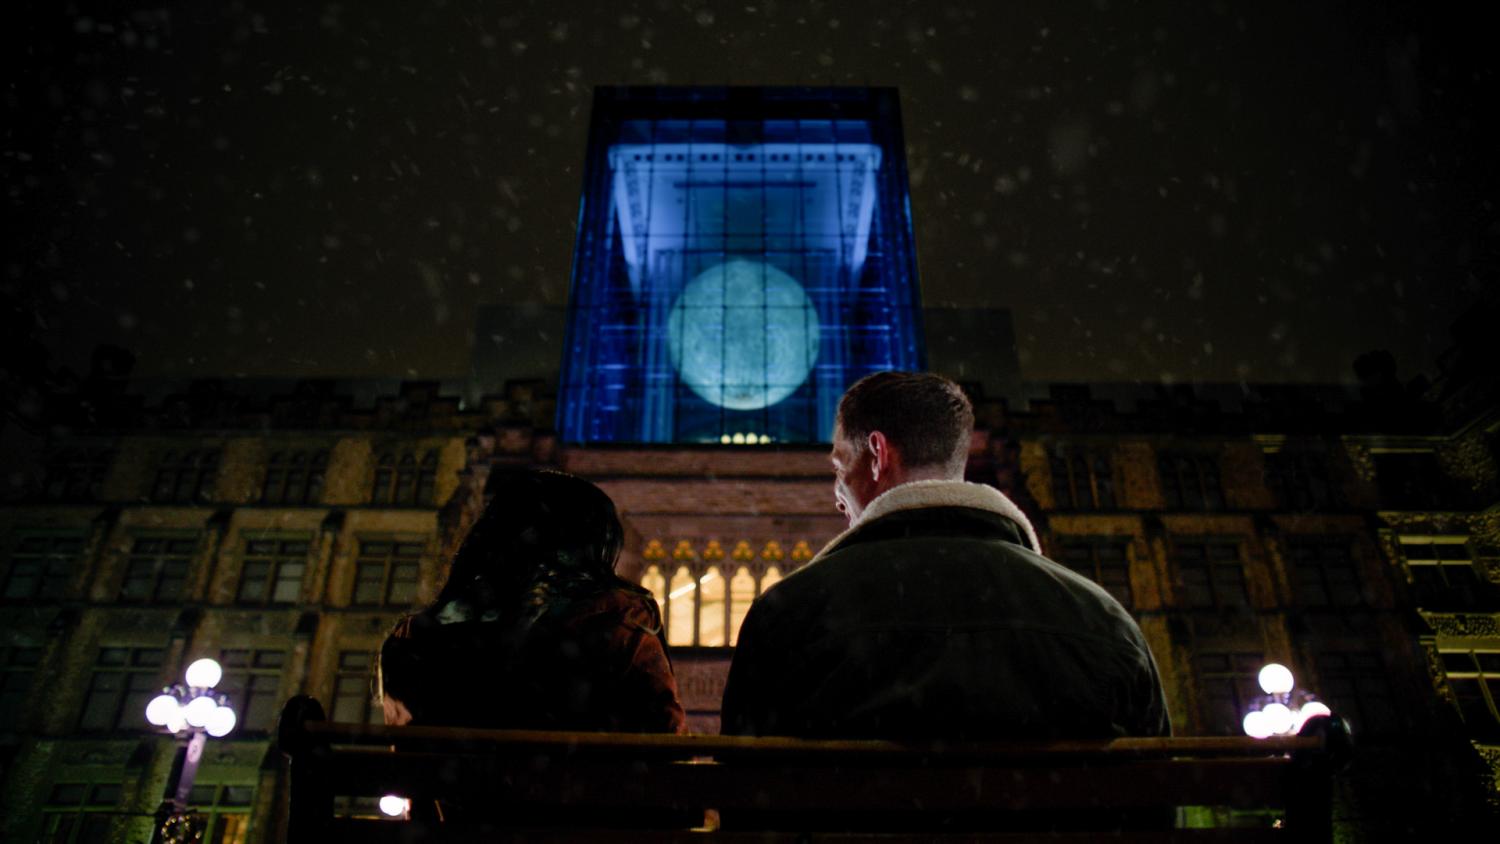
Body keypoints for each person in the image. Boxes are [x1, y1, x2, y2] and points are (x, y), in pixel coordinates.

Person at [721, 371, 1169, 741]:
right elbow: (1155, 799)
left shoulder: (788, 614)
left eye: (840, 467)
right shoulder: (1105, 620)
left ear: (877, 456)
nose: (838, 497)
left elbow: (747, 796)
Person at [379, 468, 685, 735]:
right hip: (587, 796)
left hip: (464, 799)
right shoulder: (619, 620)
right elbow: (665, 741)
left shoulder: (414, 638)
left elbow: (411, 751)